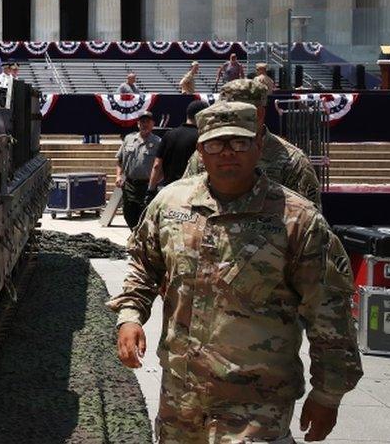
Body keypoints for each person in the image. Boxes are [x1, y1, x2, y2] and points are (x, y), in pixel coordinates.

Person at [108, 101, 362, 443]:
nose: (227, 153)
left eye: (239, 142)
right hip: (181, 400)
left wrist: (328, 394)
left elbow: (329, 312)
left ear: (258, 146)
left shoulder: (297, 220)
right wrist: (130, 316)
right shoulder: (170, 204)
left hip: (257, 405)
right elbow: (143, 264)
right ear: (201, 151)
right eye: (216, 144)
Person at [184, 78, 323, 208]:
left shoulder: (292, 161)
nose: (229, 121)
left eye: (238, 114)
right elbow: (184, 201)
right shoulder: (206, 154)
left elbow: (309, 218)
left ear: (259, 114)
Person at [145, 99, 208, 204]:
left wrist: (150, 190)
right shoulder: (202, 137)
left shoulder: (169, 135)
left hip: (170, 191)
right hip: (194, 192)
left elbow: (157, 165)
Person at [115, 110, 160, 228]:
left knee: (145, 216)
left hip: (147, 186)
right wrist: (119, 176)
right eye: (142, 122)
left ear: (152, 124)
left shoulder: (158, 143)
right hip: (129, 185)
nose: (144, 124)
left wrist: (154, 184)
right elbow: (119, 160)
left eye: (147, 122)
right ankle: (135, 236)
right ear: (138, 124)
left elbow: (161, 165)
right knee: (128, 214)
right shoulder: (129, 139)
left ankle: (140, 241)